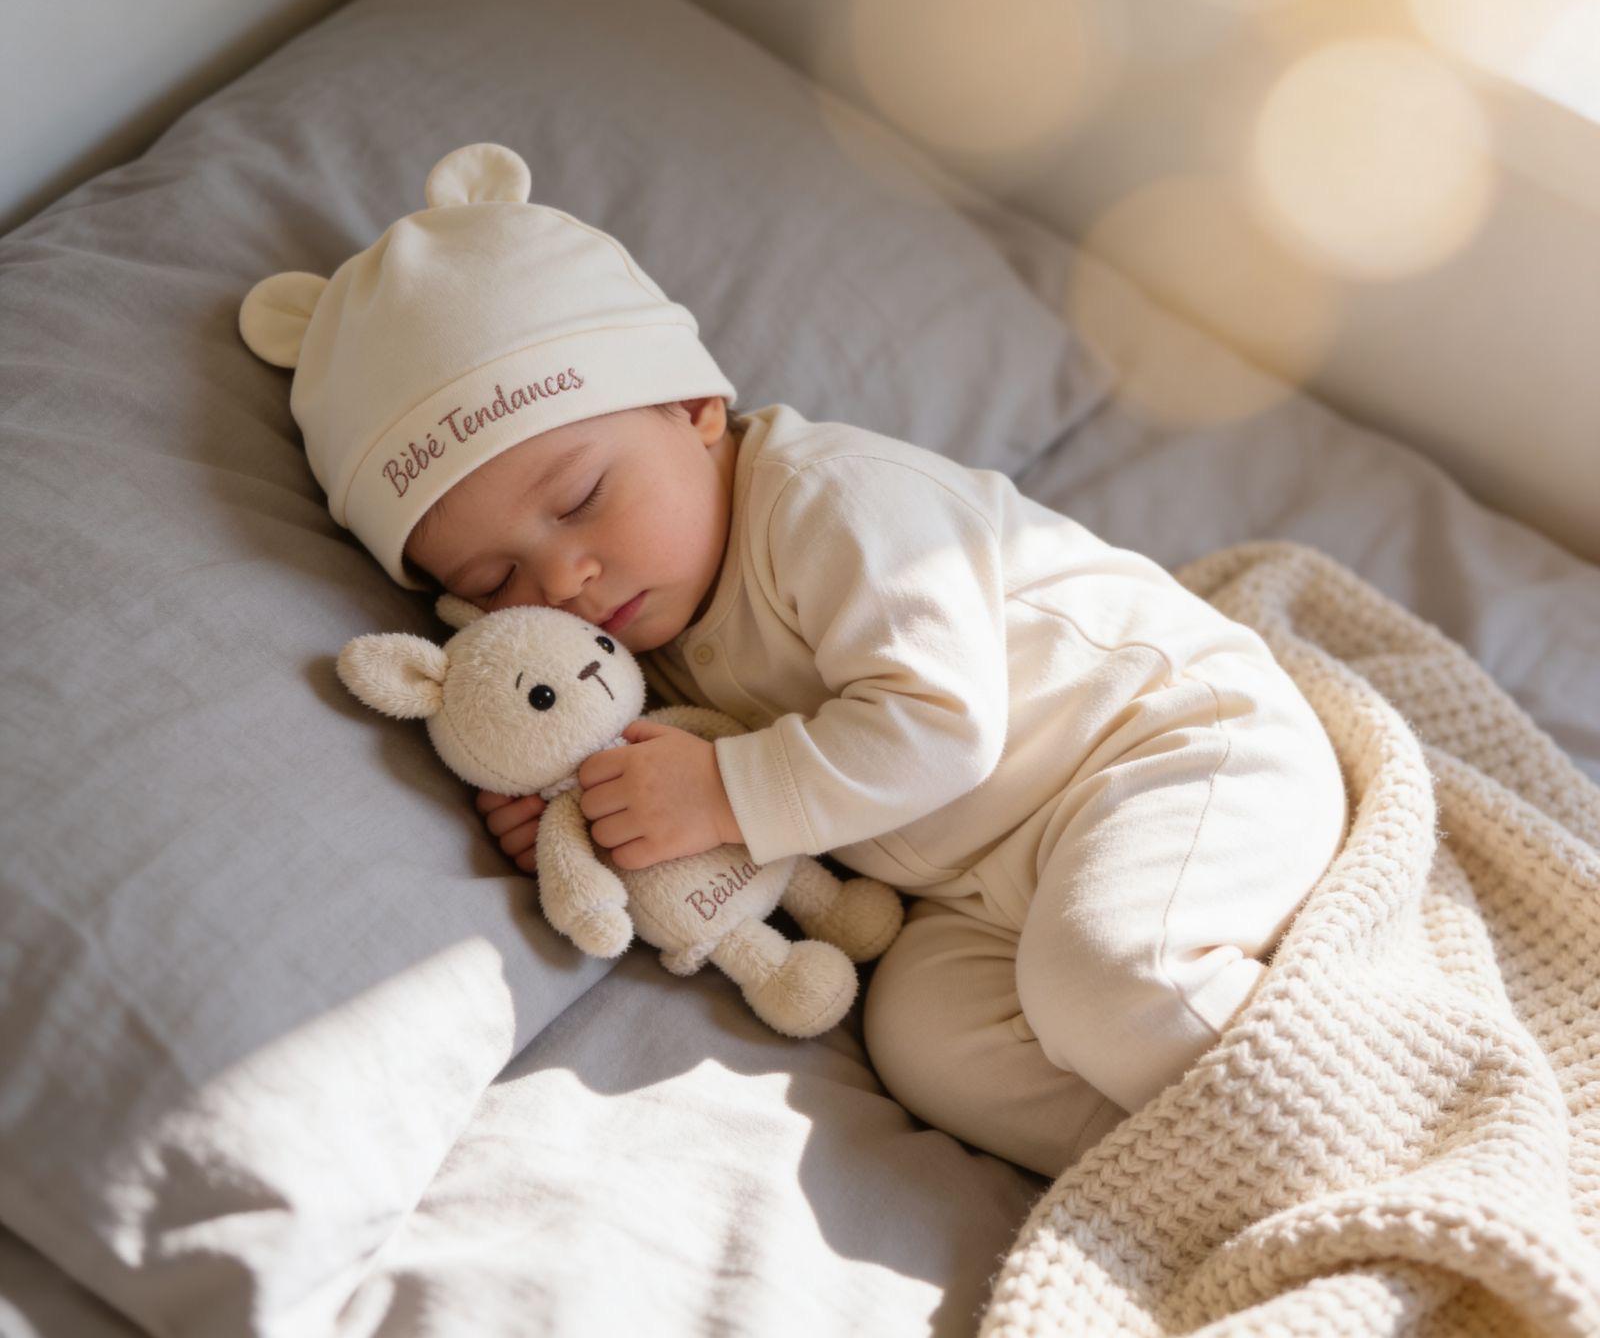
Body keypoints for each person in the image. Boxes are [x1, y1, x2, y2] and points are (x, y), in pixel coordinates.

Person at [240, 142, 1349, 1179]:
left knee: (1107, 978)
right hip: (980, 885)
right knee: (924, 1043)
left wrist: (722, 792)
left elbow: (939, 723)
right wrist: (582, 808)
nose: (563, 581)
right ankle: (1172, 1176)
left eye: (581, 497)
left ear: (692, 407)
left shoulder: (829, 505)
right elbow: (675, 776)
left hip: (1166, 751)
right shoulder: (638, 639)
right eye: (492, 585)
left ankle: (1320, 1148)